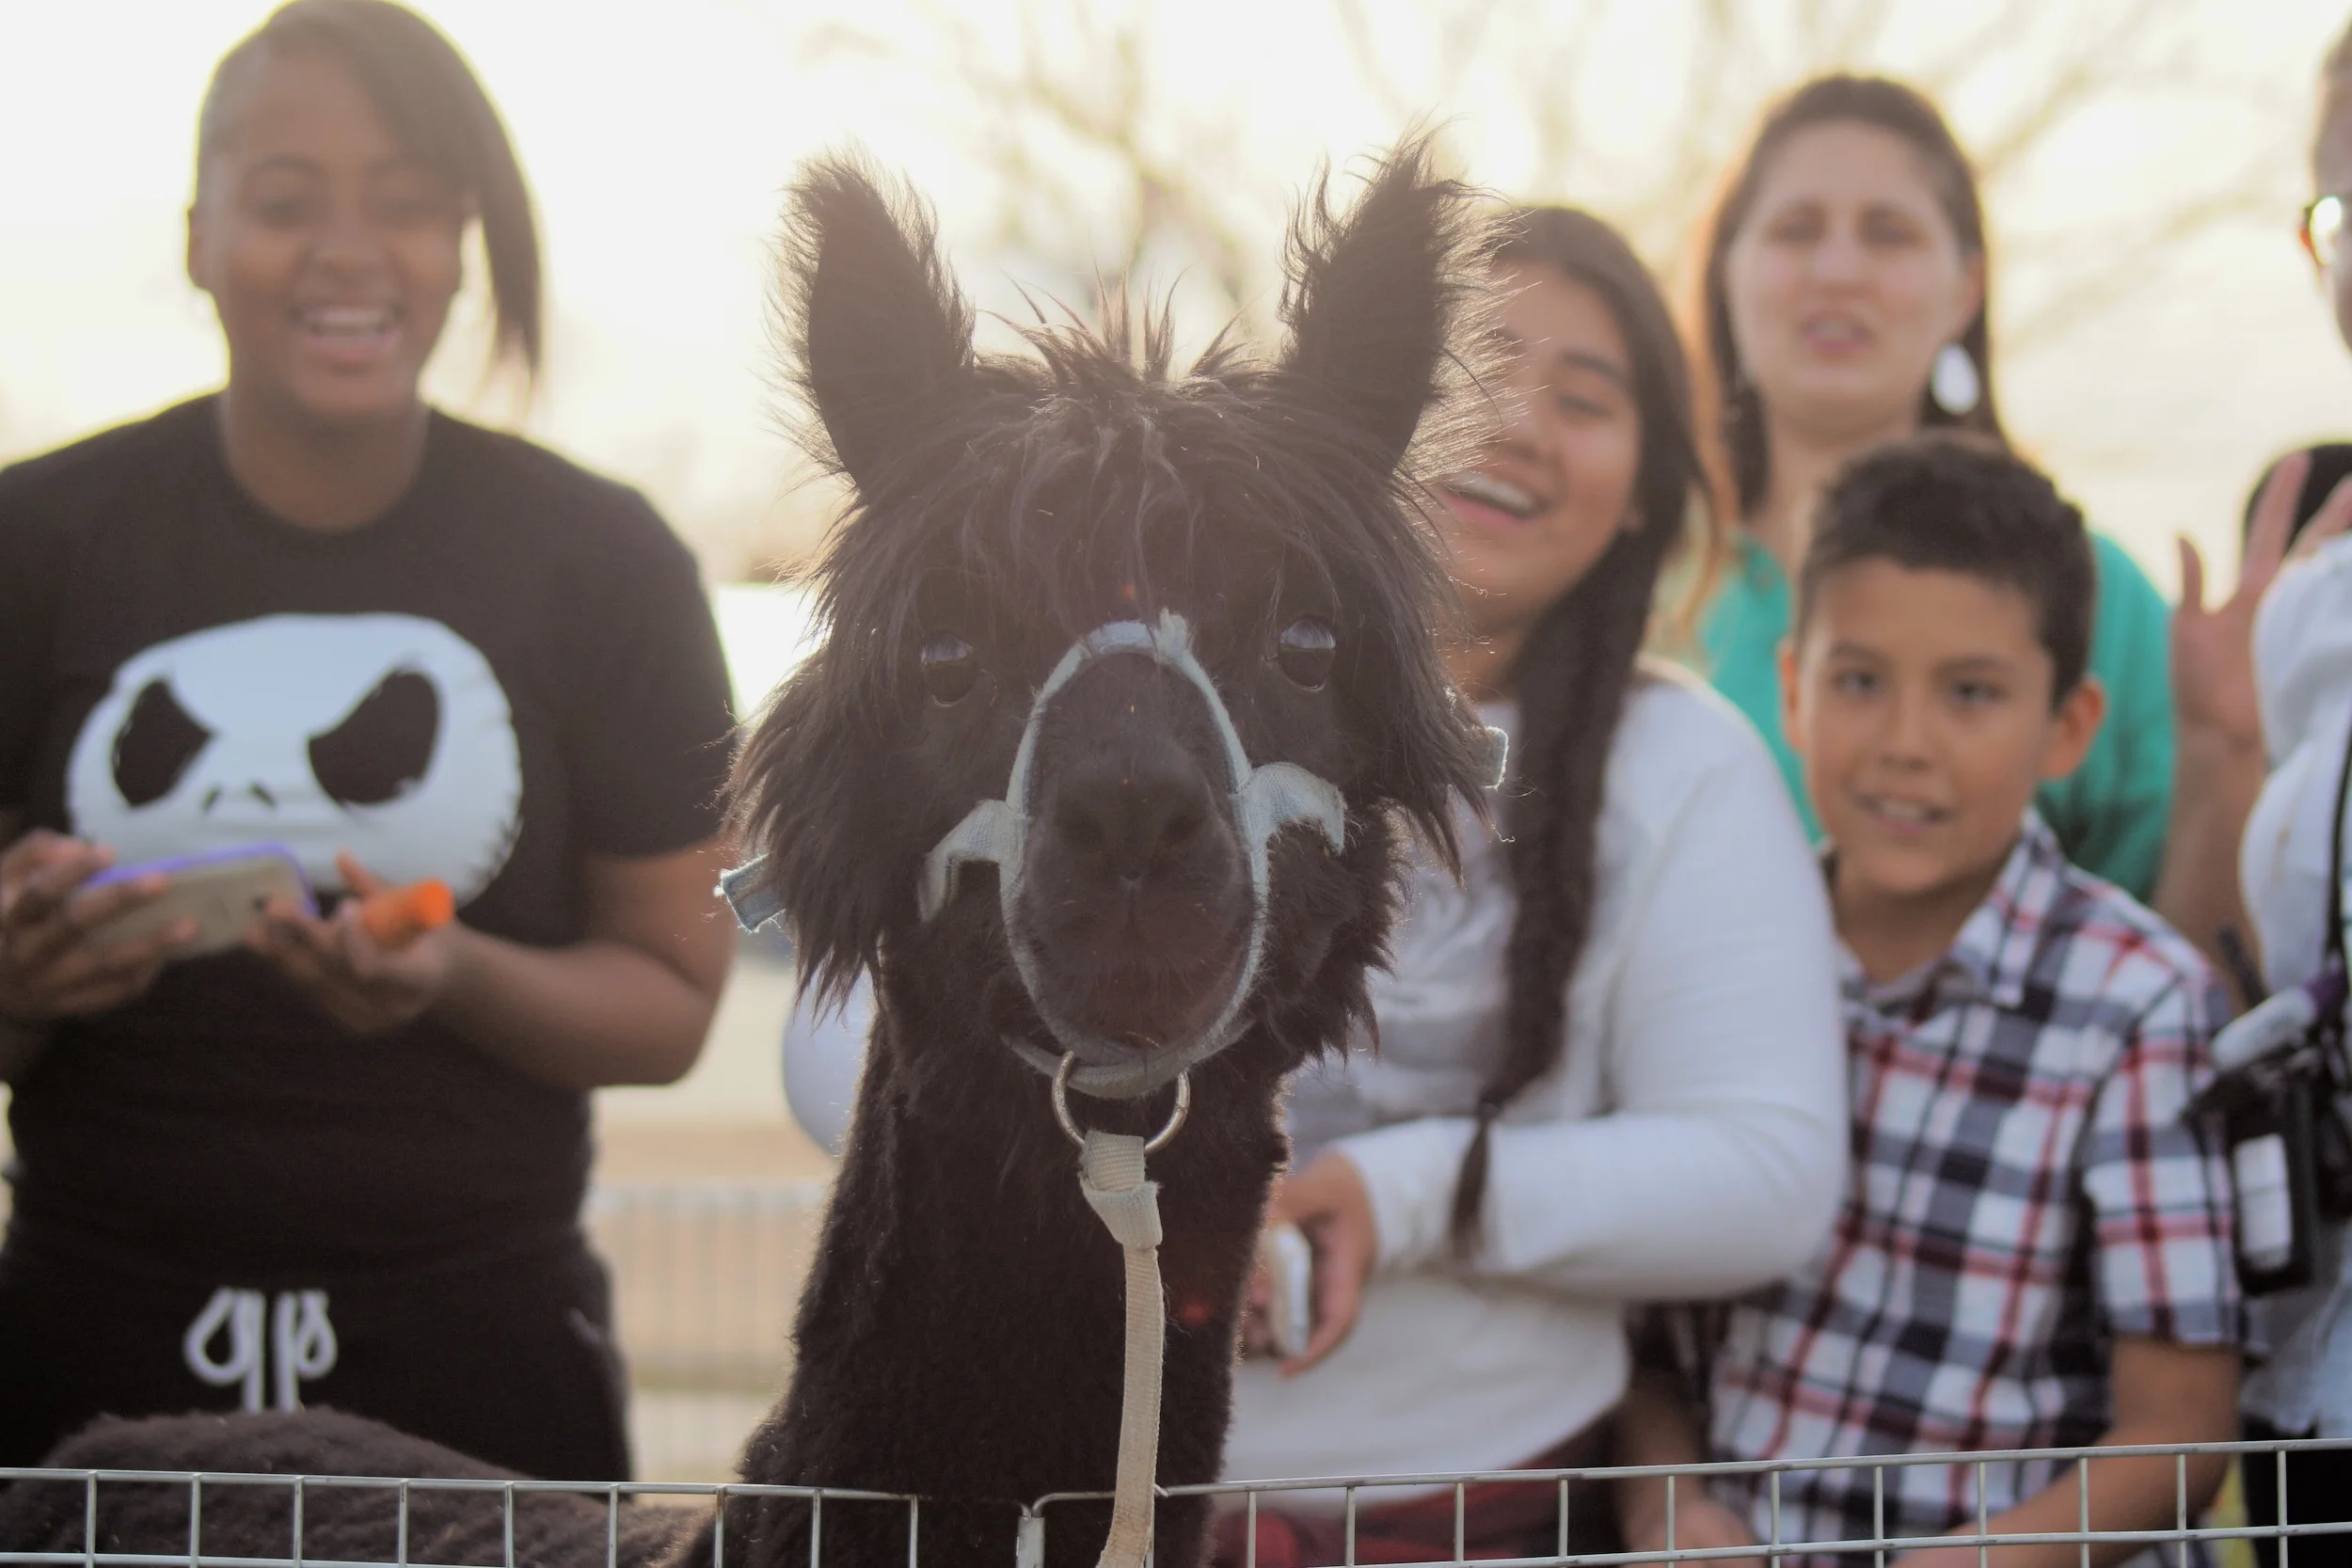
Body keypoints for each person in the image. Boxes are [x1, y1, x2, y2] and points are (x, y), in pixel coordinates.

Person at [781, 205, 1848, 1560]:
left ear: (1647, 478)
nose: (1509, 424)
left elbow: (1764, 1166)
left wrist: (1399, 1196)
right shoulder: (1092, 723)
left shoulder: (1685, 763)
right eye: (1485, 372)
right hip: (1058, 1506)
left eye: (1580, 396)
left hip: (1474, 1517)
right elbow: (835, 1047)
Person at [0, 0, 737, 1478]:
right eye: (285, 204)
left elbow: (673, 998)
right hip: (90, 1378)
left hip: (479, 1378)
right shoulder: (37, 542)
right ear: (199, 231)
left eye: (406, 205)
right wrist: (18, 979)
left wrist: (450, 968)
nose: (348, 253)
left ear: (462, 241)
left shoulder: (604, 559)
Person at [1617, 436, 2242, 1567]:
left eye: (1969, 692)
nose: (1905, 744)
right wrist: (1663, 1506)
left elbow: (2181, 1426)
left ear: (2067, 726)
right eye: (1860, 681)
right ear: (1796, 691)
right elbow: (1645, 1346)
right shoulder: (1720, 955)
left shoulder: (2138, 1007)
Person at [1692, 73, 2178, 905]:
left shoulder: (2102, 597)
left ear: (1966, 290)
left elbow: (2186, 961)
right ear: (1728, 273)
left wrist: (2230, 752)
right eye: (1795, 229)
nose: (1837, 270)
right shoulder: (1638, 576)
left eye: (1889, 234)